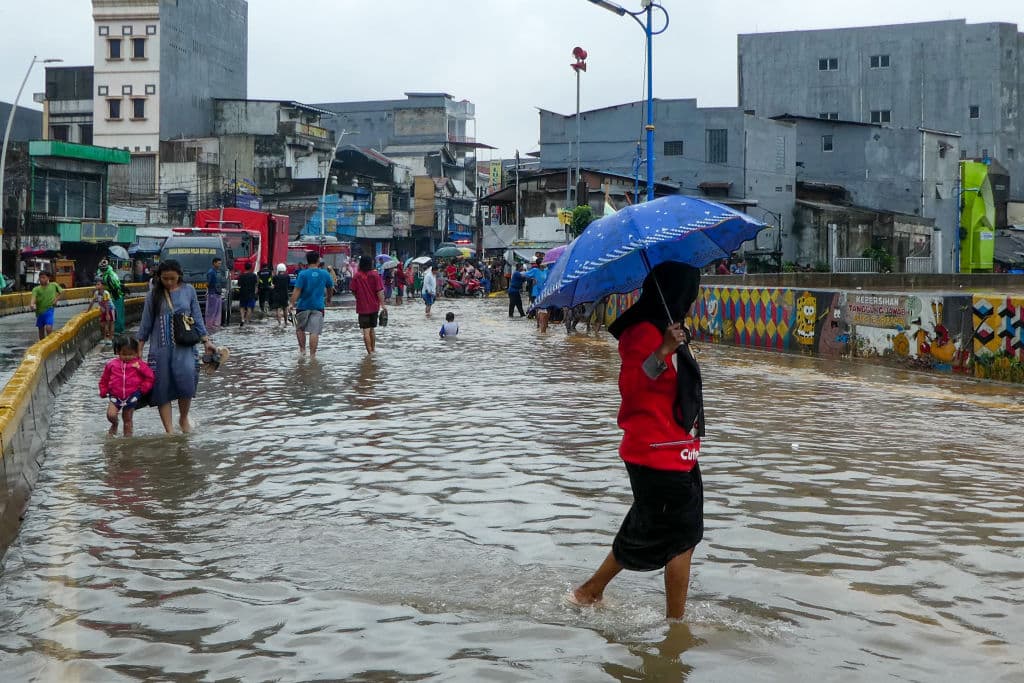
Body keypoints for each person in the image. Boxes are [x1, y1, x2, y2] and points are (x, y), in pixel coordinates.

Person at [569, 262, 705, 621]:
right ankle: (676, 627)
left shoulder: (668, 328)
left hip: (677, 451)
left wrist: (674, 345)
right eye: (691, 293)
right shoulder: (644, 333)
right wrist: (663, 350)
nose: (692, 300)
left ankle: (590, 592)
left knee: (647, 527)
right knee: (682, 539)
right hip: (658, 454)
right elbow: (632, 387)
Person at [136, 259, 218, 434]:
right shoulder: (153, 295)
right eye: (165, 279)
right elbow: (145, 323)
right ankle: (169, 431)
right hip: (160, 348)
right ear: (159, 277)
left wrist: (206, 341)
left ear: (179, 275)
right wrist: (139, 349)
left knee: (187, 382)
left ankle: (183, 417)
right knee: (162, 387)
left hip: (185, 347)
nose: (169, 282)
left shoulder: (189, 291)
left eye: (172, 278)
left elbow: (197, 317)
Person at [99, 334, 154, 437]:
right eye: (124, 354)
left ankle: (127, 440)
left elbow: (150, 377)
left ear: (136, 352)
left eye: (131, 354)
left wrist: (143, 389)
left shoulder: (139, 365)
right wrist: (103, 390)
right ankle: (115, 423)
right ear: (118, 352)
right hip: (115, 396)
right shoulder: (112, 365)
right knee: (111, 415)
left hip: (131, 396)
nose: (128, 357)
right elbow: (104, 379)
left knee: (127, 419)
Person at [288, 251, 334, 357]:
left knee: (300, 328)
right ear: (318, 260)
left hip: (303, 306)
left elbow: (297, 290)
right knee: (314, 331)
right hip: (318, 307)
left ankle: (302, 351)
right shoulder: (324, 274)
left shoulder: (302, 274)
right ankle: (313, 356)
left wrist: (291, 304)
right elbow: (330, 288)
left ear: (307, 261)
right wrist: (329, 299)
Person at [350, 254, 386, 354]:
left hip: (362, 307)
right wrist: (383, 305)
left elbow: (353, 290)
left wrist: (358, 297)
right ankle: (373, 351)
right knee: (372, 330)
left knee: (365, 331)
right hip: (374, 307)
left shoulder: (357, 276)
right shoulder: (375, 275)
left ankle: (369, 353)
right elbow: (379, 291)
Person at [97, 259, 127, 334]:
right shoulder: (109, 273)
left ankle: (117, 330)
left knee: (116, 314)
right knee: (119, 313)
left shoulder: (109, 276)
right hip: (117, 296)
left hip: (116, 297)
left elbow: (114, 288)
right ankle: (120, 329)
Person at [31, 271, 63, 340]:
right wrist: (32, 305)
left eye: (43, 278)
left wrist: (56, 300)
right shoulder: (36, 289)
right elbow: (33, 298)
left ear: (48, 278)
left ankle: (50, 341)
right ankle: (42, 343)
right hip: (39, 312)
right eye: (40, 278)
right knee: (41, 330)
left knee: (48, 328)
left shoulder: (54, 285)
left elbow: (61, 292)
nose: (41, 279)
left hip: (49, 309)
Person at [204, 257, 225, 331]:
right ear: (214, 263)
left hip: (218, 293)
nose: (220, 265)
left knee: (217, 311)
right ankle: (210, 325)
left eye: (220, 263)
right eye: (218, 263)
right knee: (211, 311)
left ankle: (216, 325)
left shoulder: (218, 272)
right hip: (212, 294)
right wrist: (208, 291)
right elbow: (208, 283)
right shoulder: (211, 272)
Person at [237, 262, 258, 326]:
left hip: (243, 293)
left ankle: (242, 319)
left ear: (244, 267)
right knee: (249, 307)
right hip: (251, 293)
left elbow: (239, 285)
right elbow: (256, 285)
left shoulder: (241, 276)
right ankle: (247, 321)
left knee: (242, 307)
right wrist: (255, 292)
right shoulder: (254, 275)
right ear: (251, 268)